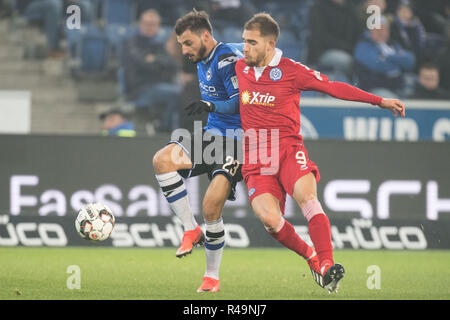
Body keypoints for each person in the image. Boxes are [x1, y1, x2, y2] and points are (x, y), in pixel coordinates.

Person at [235, 13, 405, 293]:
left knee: (308, 198)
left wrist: (379, 101)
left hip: (289, 149)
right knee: (269, 219)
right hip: (257, 158)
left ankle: (327, 264)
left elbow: (332, 87)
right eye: (244, 41)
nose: (245, 48)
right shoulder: (239, 66)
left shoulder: (291, 70)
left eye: (251, 42)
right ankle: (312, 257)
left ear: (270, 44)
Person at [152, 10, 243, 293]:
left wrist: (211, 107)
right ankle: (191, 229)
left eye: (188, 43)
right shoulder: (202, 60)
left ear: (206, 35)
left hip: (239, 141)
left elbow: (240, 103)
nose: (184, 50)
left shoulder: (226, 59)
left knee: (210, 206)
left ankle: (211, 276)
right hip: (212, 136)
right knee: (163, 160)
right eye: (181, 44)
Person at [121, 9, 182, 132]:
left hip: (159, 85)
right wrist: (160, 65)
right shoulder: (131, 43)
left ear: (158, 26)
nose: (149, 27)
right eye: (146, 24)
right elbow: (141, 63)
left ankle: (168, 125)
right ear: (140, 24)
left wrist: (154, 60)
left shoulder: (159, 44)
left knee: (184, 91)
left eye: (153, 24)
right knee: (178, 93)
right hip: (139, 88)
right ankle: (164, 129)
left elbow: (173, 64)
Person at [353, 15, 415, 97]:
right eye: (377, 29)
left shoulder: (393, 45)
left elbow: (410, 60)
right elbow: (377, 64)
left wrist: (387, 57)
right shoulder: (363, 46)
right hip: (373, 89)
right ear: (370, 31)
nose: (380, 32)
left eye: (383, 29)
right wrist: (398, 63)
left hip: (397, 85)